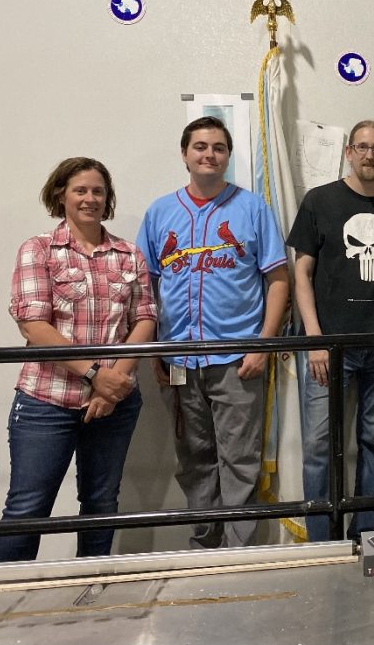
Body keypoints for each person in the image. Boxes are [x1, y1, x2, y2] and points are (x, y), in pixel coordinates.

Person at [137, 116, 289, 549]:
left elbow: (279, 279)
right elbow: (145, 288)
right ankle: (205, 545)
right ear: (185, 154)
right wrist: (156, 355)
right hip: (179, 360)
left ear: (228, 156)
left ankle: (238, 553)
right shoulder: (160, 211)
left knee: (239, 459)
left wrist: (263, 344)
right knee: (194, 457)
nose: (209, 154)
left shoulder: (252, 207)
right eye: (200, 146)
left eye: (219, 147)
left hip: (236, 359)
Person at [0, 157, 156, 562]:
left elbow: (145, 319)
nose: (90, 199)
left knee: (101, 504)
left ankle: (93, 593)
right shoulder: (39, 250)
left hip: (114, 401)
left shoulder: (128, 255)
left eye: (98, 191)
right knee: (28, 507)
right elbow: (34, 324)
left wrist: (113, 384)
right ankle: (5, 598)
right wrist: (95, 374)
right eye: (80, 190)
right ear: (60, 195)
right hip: (47, 400)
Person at [289, 119, 374, 541]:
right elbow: (301, 272)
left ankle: (365, 535)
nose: (369, 154)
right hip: (328, 348)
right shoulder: (318, 201)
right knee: (318, 449)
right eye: (361, 147)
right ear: (348, 152)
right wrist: (314, 339)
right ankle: (323, 543)